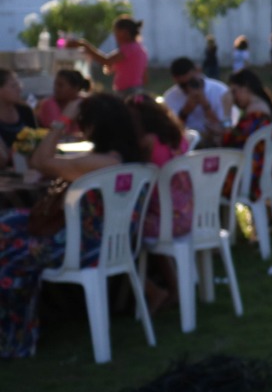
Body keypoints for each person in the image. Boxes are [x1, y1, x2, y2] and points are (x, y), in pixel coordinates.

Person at [0, 93, 147, 358]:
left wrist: (62, 119)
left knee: (11, 252)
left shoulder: (99, 163)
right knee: (8, 222)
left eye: (83, 122)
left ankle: (15, 335)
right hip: (105, 241)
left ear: (96, 126)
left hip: (84, 247)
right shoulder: (126, 157)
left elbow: (39, 161)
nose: (80, 128)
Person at [126, 94, 191, 314]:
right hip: (188, 215)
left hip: (164, 221)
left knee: (119, 233)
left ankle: (151, 289)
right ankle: (174, 288)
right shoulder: (179, 137)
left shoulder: (146, 142)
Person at [219, 68, 272, 203]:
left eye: (234, 92)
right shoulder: (263, 107)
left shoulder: (255, 114)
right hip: (260, 172)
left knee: (206, 180)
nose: (233, 98)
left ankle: (223, 217)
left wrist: (226, 113)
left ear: (246, 87)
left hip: (249, 178)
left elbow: (228, 144)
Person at [66, 16, 149, 96]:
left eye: (116, 32)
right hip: (137, 90)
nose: (115, 36)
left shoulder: (128, 49)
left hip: (127, 92)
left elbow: (106, 60)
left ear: (124, 32)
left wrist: (85, 45)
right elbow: (143, 76)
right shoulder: (140, 49)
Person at [162, 57, 231, 148]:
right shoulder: (170, 97)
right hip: (187, 144)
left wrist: (205, 105)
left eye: (191, 82)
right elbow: (170, 131)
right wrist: (185, 112)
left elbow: (225, 128)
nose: (188, 88)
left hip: (215, 142)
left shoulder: (220, 91)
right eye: (183, 85)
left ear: (198, 71)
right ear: (175, 79)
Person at [0, 68, 38, 168]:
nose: (19, 89)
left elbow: (37, 140)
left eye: (19, 85)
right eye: (14, 86)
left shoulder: (25, 111)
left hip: (27, 168)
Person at [35, 69, 91, 133]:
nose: (56, 88)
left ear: (75, 88)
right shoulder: (49, 104)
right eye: (55, 84)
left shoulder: (83, 105)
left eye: (60, 85)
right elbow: (58, 131)